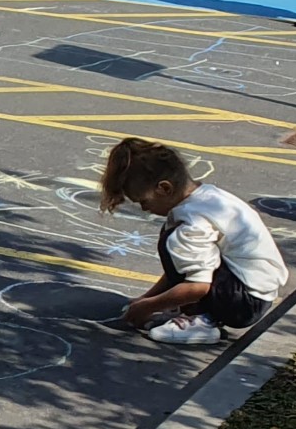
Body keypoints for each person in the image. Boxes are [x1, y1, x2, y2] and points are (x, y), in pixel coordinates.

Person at [99, 138, 286, 345]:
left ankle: (201, 320)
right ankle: (195, 309)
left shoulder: (192, 223)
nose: (144, 209)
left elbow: (197, 286)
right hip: (255, 293)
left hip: (242, 304)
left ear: (165, 188)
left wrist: (147, 307)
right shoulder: (208, 197)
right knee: (176, 242)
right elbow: (182, 268)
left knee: (172, 239)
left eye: (144, 201)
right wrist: (147, 298)